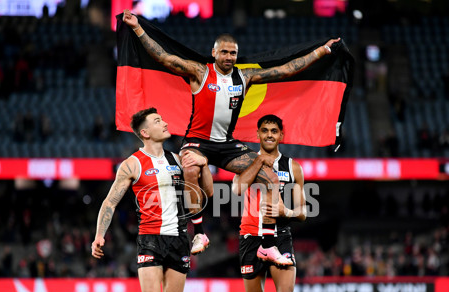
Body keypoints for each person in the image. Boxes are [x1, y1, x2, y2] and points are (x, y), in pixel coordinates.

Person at [122, 10, 339, 264]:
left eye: (232, 53)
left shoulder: (244, 77)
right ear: (214, 53)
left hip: (226, 144)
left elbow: (284, 71)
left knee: (270, 175)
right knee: (190, 165)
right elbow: (162, 57)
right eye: (223, 52)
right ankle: (200, 234)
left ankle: (268, 245)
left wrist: (320, 52)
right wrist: (137, 28)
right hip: (197, 141)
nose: (228, 57)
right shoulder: (199, 72)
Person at [91, 107, 213, 292]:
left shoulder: (178, 159)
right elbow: (110, 202)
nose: (165, 122)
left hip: (179, 238)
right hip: (150, 239)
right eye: (158, 121)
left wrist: (204, 164)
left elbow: (206, 192)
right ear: (145, 132)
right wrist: (99, 235)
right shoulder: (132, 164)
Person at [232, 114, 307, 292]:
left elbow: (303, 212)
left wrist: (286, 210)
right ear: (258, 134)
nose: (269, 135)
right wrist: (258, 163)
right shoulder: (246, 161)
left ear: (281, 135)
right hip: (250, 238)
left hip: (282, 236)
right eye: (264, 131)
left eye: (274, 131)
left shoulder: (293, 167)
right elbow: (237, 189)